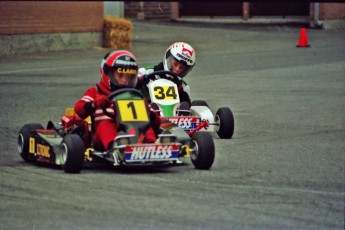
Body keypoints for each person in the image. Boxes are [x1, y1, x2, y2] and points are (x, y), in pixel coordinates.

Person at [74, 50, 161, 151]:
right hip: (102, 140)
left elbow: (157, 123)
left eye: (128, 77)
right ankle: (116, 146)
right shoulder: (96, 93)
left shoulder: (137, 96)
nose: (124, 80)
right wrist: (94, 104)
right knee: (105, 125)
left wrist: (149, 113)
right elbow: (79, 108)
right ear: (108, 74)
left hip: (136, 136)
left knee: (146, 126)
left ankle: (153, 147)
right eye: (120, 76)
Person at [136, 42, 196, 106]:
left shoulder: (184, 87)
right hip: (144, 111)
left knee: (199, 104)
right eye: (175, 64)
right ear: (168, 59)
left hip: (169, 115)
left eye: (181, 68)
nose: (177, 69)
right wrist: (141, 83)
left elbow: (185, 108)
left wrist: (181, 93)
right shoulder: (145, 72)